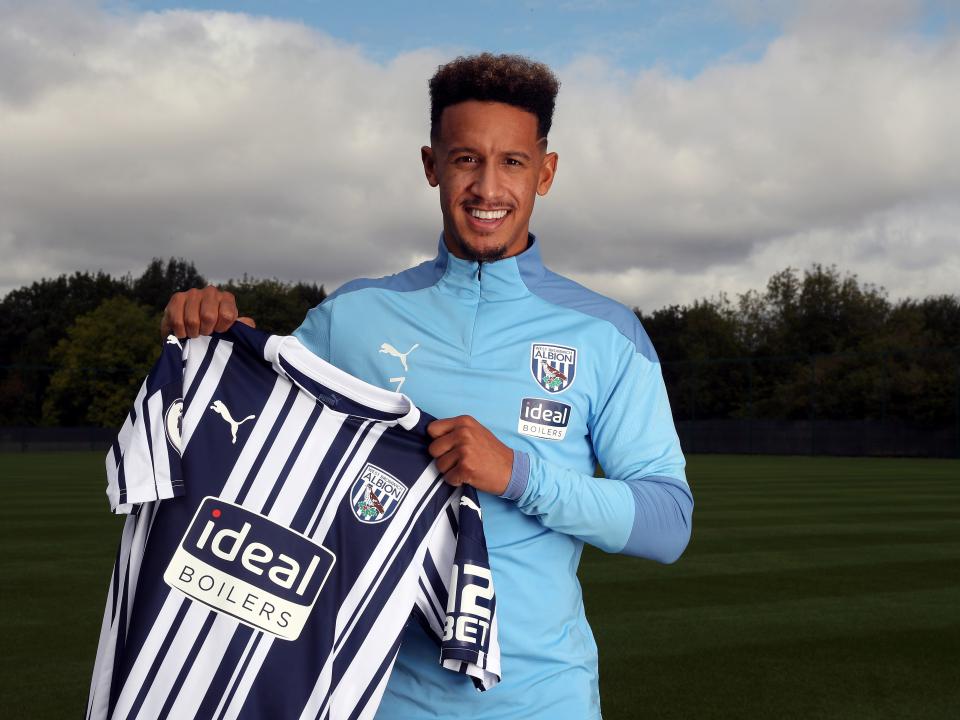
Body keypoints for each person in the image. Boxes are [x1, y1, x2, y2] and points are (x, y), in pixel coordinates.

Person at [163, 53, 693, 720]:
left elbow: (668, 523)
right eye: (466, 159)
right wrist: (207, 338)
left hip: (543, 702)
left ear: (546, 172)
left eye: (512, 162)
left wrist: (518, 475)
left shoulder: (606, 334)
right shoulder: (351, 319)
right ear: (431, 165)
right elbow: (248, 443)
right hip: (375, 701)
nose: (487, 187)